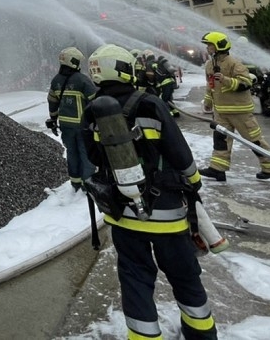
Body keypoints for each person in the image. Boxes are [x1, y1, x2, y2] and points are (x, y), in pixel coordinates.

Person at [81, 44, 216, 340]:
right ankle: (201, 334)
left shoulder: (92, 110)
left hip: (122, 215)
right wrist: (194, 183)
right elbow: (180, 154)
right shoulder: (150, 103)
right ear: (125, 69)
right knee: (185, 277)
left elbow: (92, 156)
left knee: (135, 279)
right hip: (167, 212)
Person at [199, 32, 270, 181]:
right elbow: (210, 86)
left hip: (239, 111)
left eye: (209, 45)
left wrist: (225, 79)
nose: (207, 48)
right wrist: (208, 102)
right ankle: (217, 169)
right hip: (221, 111)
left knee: (253, 139)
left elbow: (246, 83)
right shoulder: (210, 65)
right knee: (220, 140)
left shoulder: (234, 63)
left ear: (218, 46)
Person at [46, 46, 97, 192]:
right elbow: (95, 101)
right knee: (85, 153)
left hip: (66, 126)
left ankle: (75, 182)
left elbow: (52, 101)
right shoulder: (82, 80)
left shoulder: (56, 80)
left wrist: (53, 119)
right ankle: (88, 184)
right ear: (73, 62)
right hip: (83, 126)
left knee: (72, 153)